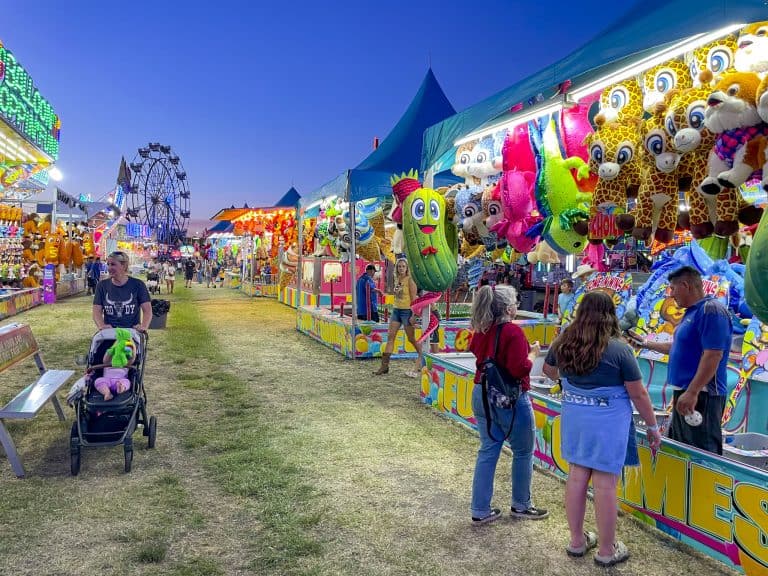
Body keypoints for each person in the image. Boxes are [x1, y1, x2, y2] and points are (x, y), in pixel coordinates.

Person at [543, 291, 661, 567]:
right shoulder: (620, 350)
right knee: (605, 483)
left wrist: (567, 382)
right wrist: (653, 427)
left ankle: (576, 541)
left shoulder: (563, 340)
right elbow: (639, 394)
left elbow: (548, 370)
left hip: (574, 416)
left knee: (577, 475)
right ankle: (607, 550)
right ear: (610, 314)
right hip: (608, 422)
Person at [468, 284, 548, 525]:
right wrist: (533, 353)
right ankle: (521, 504)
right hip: (510, 398)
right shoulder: (512, 333)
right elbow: (519, 368)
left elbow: (474, 349)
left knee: (488, 449)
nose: (517, 306)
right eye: (514, 302)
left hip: (481, 392)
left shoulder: (482, 330)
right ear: (508, 308)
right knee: (523, 451)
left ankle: (480, 508)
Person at [635, 266, 732, 454]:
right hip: (687, 392)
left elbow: (713, 355)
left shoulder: (711, 311)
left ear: (686, 285)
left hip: (703, 395)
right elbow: (678, 347)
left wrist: (693, 391)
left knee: (702, 452)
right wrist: (645, 344)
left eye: (673, 288)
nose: (670, 294)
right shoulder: (692, 312)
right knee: (683, 449)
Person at [374, 259, 421, 377]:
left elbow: (414, 298)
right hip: (396, 310)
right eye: (399, 266)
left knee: (411, 338)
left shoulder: (410, 280)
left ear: (407, 268)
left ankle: (422, 355)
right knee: (390, 337)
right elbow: (396, 294)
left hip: (407, 311)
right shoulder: (396, 279)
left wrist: (413, 315)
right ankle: (384, 366)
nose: (401, 268)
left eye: (403, 266)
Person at [92, 251, 152, 332]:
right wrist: (101, 326)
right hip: (110, 333)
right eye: (108, 264)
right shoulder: (102, 286)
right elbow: (96, 311)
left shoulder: (138, 285)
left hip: (132, 332)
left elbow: (147, 310)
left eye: (113, 264)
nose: (109, 268)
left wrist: (143, 326)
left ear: (124, 266)